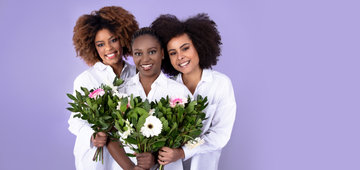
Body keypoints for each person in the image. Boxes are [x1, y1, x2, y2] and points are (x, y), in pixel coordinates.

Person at [151, 13, 237, 170]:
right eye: (173, 53)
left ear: (199, 45)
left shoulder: (220, 84)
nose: (180, 57)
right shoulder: (164, 87)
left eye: (185, 48)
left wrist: (182, 152)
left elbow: (220, 135)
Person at [68, 6, 146, 170]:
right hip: (98, 159)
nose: (109, 49)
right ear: (93, 47)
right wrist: (92, 136)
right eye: (100, 44)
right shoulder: (86, 80)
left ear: (124, 38)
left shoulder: (138, 74)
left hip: (131, 155)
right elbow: (75, 121)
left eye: (113, 40)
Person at [118, 27, 191, 170]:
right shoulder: (122, 90)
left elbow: (185, 137)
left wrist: (155, 159)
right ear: (132, 55)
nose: (145, 59)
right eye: (138, 53)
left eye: (152, 52)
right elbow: (113, 136)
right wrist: (131, 167)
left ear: (162, 53)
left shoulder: (178, 91)